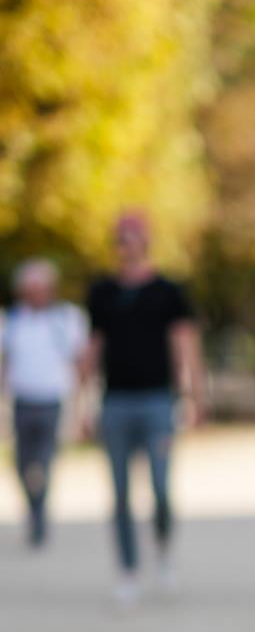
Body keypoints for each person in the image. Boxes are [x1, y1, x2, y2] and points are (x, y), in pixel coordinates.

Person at [82, 212, 205, 604]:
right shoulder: (102, 292)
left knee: (160, 486)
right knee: (118, 493)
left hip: (157, 401)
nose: (127, 244)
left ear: (145, 241)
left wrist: (194, 396)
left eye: (133, 236)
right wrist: (82, 405)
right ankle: (128, 569)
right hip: (115, 401)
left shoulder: (168, 291)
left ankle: (164, 552)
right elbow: (93, 350)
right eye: (121, 237)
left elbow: (184, 346)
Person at [0, 259, 87, 545]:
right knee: (22, 463)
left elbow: (79, 361)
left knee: (45, 460)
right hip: (23, 400)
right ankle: (34, 508)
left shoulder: (65, 319)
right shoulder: (11, 321)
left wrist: (83, 403)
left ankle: (40, 514)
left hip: (52, 400)